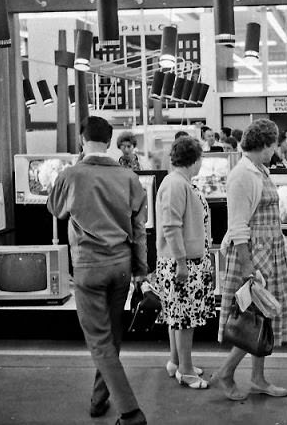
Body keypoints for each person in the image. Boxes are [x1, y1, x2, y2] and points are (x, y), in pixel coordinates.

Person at [47, 116, 148, 425]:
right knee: (111, 337)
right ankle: (99, 398)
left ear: (81, 140)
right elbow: (139, 229)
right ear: (110, 141)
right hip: (120, 267)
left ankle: (130, 412)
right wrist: (141, 273)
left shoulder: (71, 174)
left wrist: (77, 164)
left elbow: (54, 208)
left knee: (99, 340)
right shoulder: (129, 176)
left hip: (88, 268)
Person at [212, 119, 287, 401]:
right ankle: (226, 372)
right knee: (254, 318)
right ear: (263, 145)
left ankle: (257, 378)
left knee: (263, 317)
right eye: (273, 145)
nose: (276, 150)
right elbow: (238, 225)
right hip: (253, 254)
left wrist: (283, 251)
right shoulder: (243, 175)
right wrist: (249, 267)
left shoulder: (258, 169)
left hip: (268, 252)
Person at [152, 136, 216, 390]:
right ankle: (187, 371)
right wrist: (181, 262)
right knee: (186, 318)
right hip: (182, 262)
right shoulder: (176, 184)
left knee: (176, 316)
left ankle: (176, 362)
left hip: (183, 260)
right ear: (195, 160)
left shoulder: (178, 182)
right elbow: (171, 225)